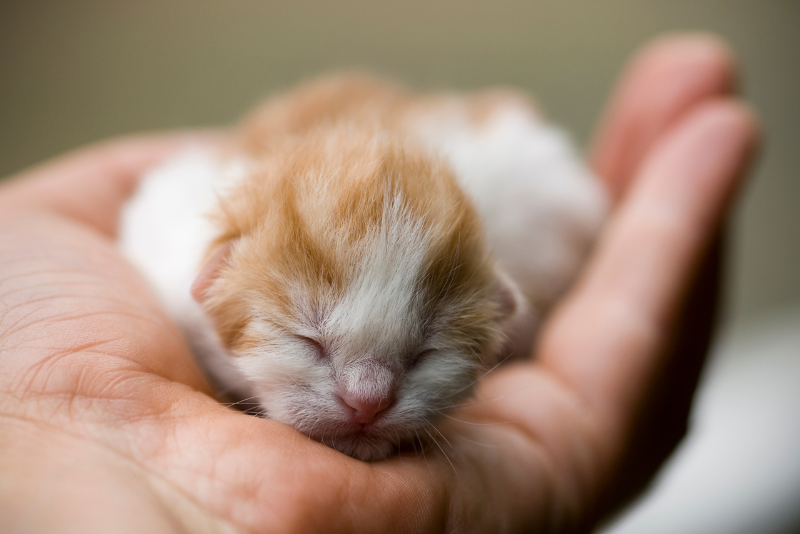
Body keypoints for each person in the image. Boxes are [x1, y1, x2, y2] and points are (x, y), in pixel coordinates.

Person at [0, 34, 758, 533]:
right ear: (213, 280)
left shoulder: (521, 201)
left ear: (502, 316)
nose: (367, 398)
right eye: (309, 340)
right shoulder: (176, 251)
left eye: (425, 355)